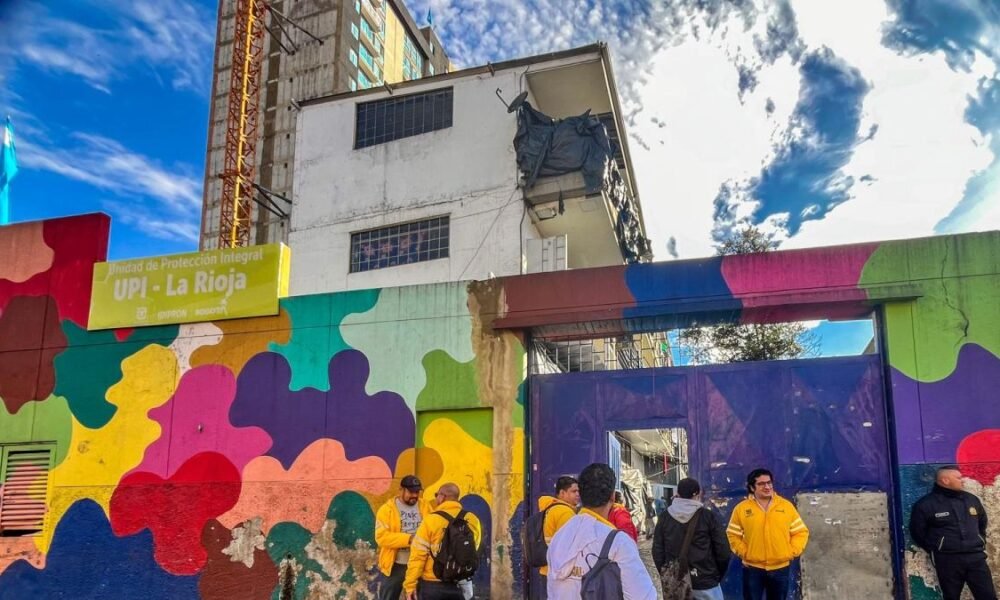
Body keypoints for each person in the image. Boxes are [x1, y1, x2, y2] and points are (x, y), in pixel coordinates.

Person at [546, 463, 657, 599]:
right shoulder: (619, 543)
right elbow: (644, 596)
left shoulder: (559, 536)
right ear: (612, 496)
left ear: (581, 494)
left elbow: (552, 590)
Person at [909, 465, 997, 600]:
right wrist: (937, 546)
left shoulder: (971, 500)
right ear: (945, 480)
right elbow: (917, 531)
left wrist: (980, 539)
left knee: (987, 596)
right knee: (951, 596)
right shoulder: (926, 505)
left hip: (976, 557)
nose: (963, 480)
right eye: (958, 478)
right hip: (947, 560)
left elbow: (982, 523)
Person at [726, 468, 809, 600]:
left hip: (780, 569)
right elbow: (732, 534)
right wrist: (745, 553)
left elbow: (801, 532)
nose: (767, 486)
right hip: (753, 569)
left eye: (769, 483)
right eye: (761, 484)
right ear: (752, 487)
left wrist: (791, 551)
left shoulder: (786, 507)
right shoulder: (741, 509)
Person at [653, 478, 731, 600]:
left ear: (678, 493)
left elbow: (657, 551)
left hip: (677, 583)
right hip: (706, 582)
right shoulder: (707, 516)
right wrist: (713, 576)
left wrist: (668, 574)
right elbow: (723, 551)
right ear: (697, 493)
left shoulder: (664, 517)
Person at [404, 482, 482, 600]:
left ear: (442, 496)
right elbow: (473, 549)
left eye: (437, 495)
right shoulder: (472, 519)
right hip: (462, 583)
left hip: (433, 584)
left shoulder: (430, 520)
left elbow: (418, 556)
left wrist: (410, 585)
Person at [375, 475, 430, 600]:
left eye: (417, 492)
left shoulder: (425, 506)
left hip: (420, 564)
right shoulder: (386, 510)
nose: (415, 495)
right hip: (395, 565)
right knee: (388, 597)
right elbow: (381, 537)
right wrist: (409, 539)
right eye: (411, 492)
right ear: (401, 490)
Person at [533, 476, 580, 598]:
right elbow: (571, 545)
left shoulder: (548, 508)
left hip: (546, 569)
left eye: (578, 491)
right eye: (574, 491)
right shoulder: (564, 512)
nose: (578, 494)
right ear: (562, 493)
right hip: (560, 572)